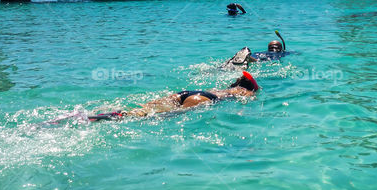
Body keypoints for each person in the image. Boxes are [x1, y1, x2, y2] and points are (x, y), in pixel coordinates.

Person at [88, 71, 259, 121]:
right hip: (203, 99)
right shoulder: (242, 90)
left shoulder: (222, 88)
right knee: (167, 115)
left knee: (144, 108)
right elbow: (248, 99)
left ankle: (112, 112)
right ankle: (119, 117)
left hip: (187, 93)